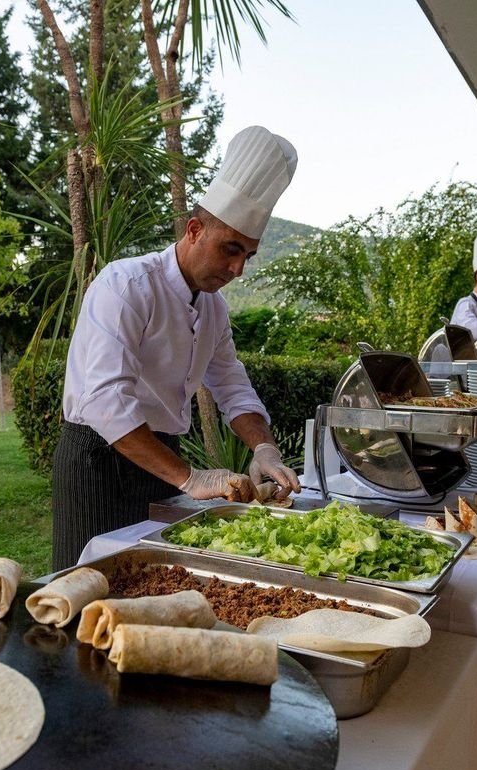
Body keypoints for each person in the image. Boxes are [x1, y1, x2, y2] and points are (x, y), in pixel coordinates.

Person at [51, 125, 303, 570]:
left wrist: (264, 449)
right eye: (230, 249)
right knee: (84, 586)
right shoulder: (126, 285)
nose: (238, 269)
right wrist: (190, 477)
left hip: (161, 461)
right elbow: (105, 401)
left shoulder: (214, 310)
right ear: (194, 230)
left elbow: (233, 388)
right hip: (98, 461)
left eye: (247, 256)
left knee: (153, 584)